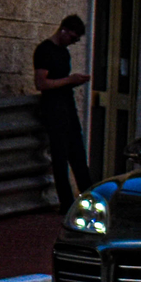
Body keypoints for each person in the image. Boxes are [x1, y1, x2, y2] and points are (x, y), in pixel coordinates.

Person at [34, 14, 96, 206]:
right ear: (63, 30)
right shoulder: (45, 50)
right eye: (72, 38)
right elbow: (41, 83)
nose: (72, 42)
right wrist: (70, 80)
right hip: (53, 109)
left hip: (67, 106)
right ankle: (67, 203)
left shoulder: (63, 52)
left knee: (77, 154)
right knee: (60, 158)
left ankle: (89, 196)